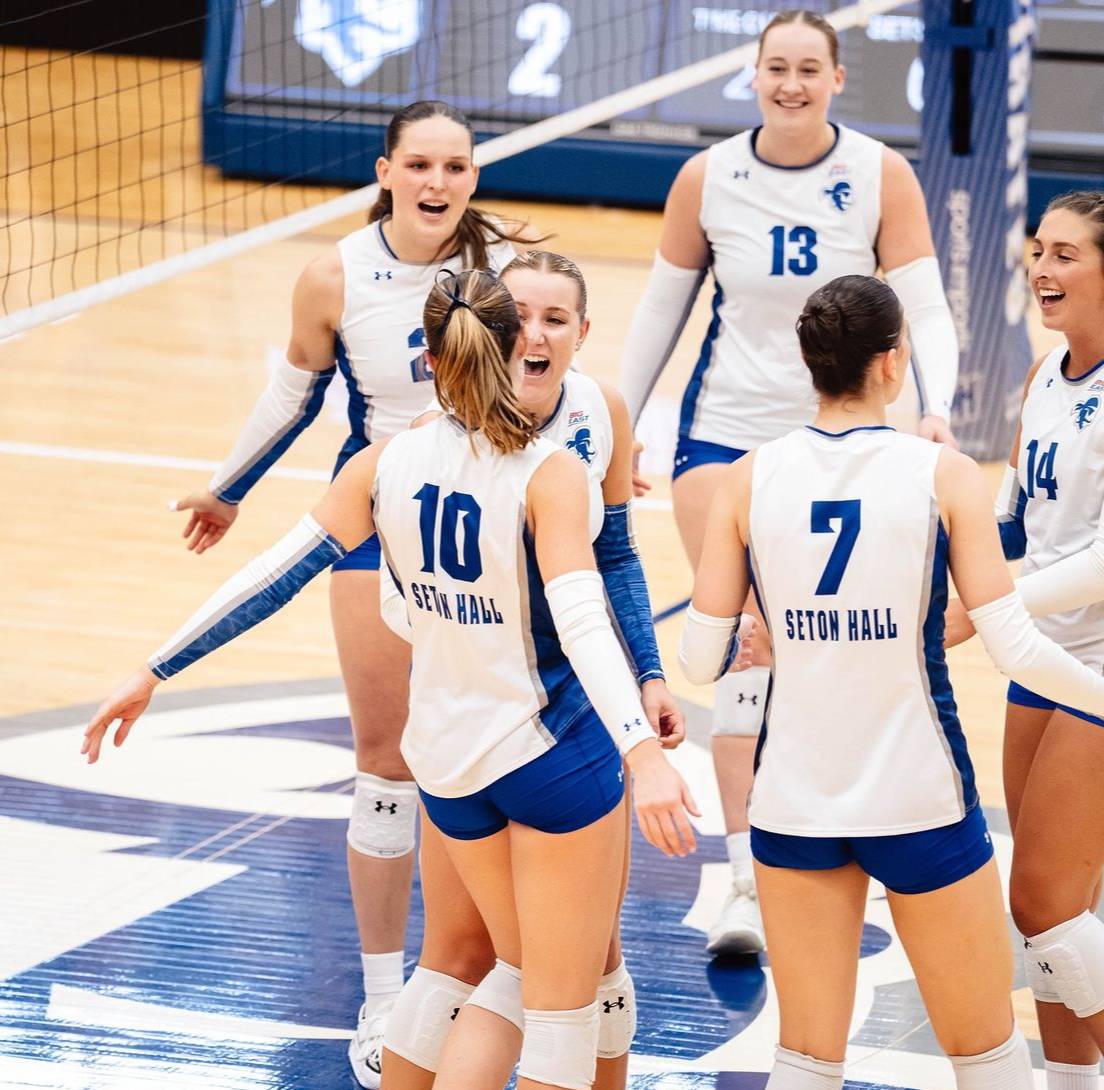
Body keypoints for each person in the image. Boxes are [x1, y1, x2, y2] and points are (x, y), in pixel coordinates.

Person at [83, 268, 699, 1090]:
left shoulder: (383, 462)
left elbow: (274, 574)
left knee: (455, 969)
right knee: (551, 1003)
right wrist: (641, 751)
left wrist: (154, 667)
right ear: (512, 350)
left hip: (444, 760)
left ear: (431, 362)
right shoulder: (550, 474)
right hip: (550, 751)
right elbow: (585, 622)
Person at [165, 99, 530, 1085]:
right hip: (372, 515)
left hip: (481, 530)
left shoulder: (496, 281)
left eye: (456, 166)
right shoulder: (335, 272)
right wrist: (228, 489)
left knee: (489, 755)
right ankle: (383, 998)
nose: (439, 182)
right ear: (386, 169)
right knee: (385, 758)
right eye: (421, 163)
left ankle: (483, 979)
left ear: (472, 180)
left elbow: (537, 390)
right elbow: (295, 390)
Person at [679, 273, 1104, 1090]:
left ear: (809, 361)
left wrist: (756, 631)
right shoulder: (941, 476)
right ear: (892, 362)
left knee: (806, 1060)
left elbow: (699, 664)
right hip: (918, 796)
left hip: (795, 798)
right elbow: (1015, 647)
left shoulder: (747, 478)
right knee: (985, 1057)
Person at [618, 8, 960, 956]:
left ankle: (874, 840)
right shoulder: (708, 176)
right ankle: (740, 883)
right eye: (777, 68)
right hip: (724, 439)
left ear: (838, 79)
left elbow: (926, 305)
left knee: (862, 644)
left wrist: (938, 405)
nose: (792, 84)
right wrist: (621, 428)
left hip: (852, 439)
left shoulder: (880, 174)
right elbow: (658, 311)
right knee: (748, 654)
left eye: (811, 69)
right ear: (754, 74)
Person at [376, 251, 708, 1090]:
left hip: (569, 708)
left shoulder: (602, 410)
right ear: (485, 324)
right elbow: (398, 596)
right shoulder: (435, 432)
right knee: (510, 968)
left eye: (555, 319)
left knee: (589, 958)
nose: (533, 332)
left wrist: (649, 676)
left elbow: (618, 556)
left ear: (583, 334)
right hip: (528, 726)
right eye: (516, 313)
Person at [946, 191, 1104, 1090]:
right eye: (1038, 250)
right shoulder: (1046, 376)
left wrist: (993, 610)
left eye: (1066, 254)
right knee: (1056, 911)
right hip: (1040, 661)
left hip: (1097, 666)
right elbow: (1012, 525)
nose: (1042, 269)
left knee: (1043, 902)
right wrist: (941, 587)